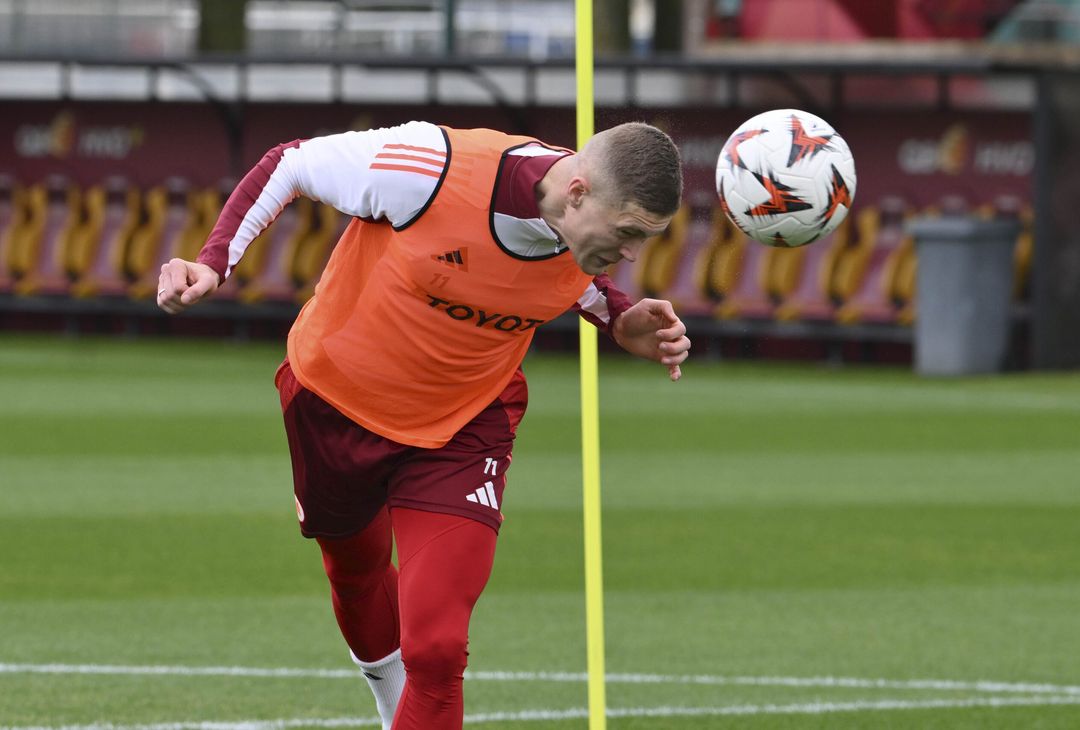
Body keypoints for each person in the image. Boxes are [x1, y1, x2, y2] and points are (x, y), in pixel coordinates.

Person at [157, 119, 691, 729]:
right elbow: (293, 162)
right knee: (355, 574)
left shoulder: (580, 224)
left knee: (436, 651)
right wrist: (214, 262)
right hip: (336, 398)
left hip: (464, 427)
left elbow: (557, 277)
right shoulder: (430, 168)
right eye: (626, 235)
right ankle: (393, 706)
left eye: (644, 240)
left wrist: (619, 319)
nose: (632, 254)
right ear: (575, 192)